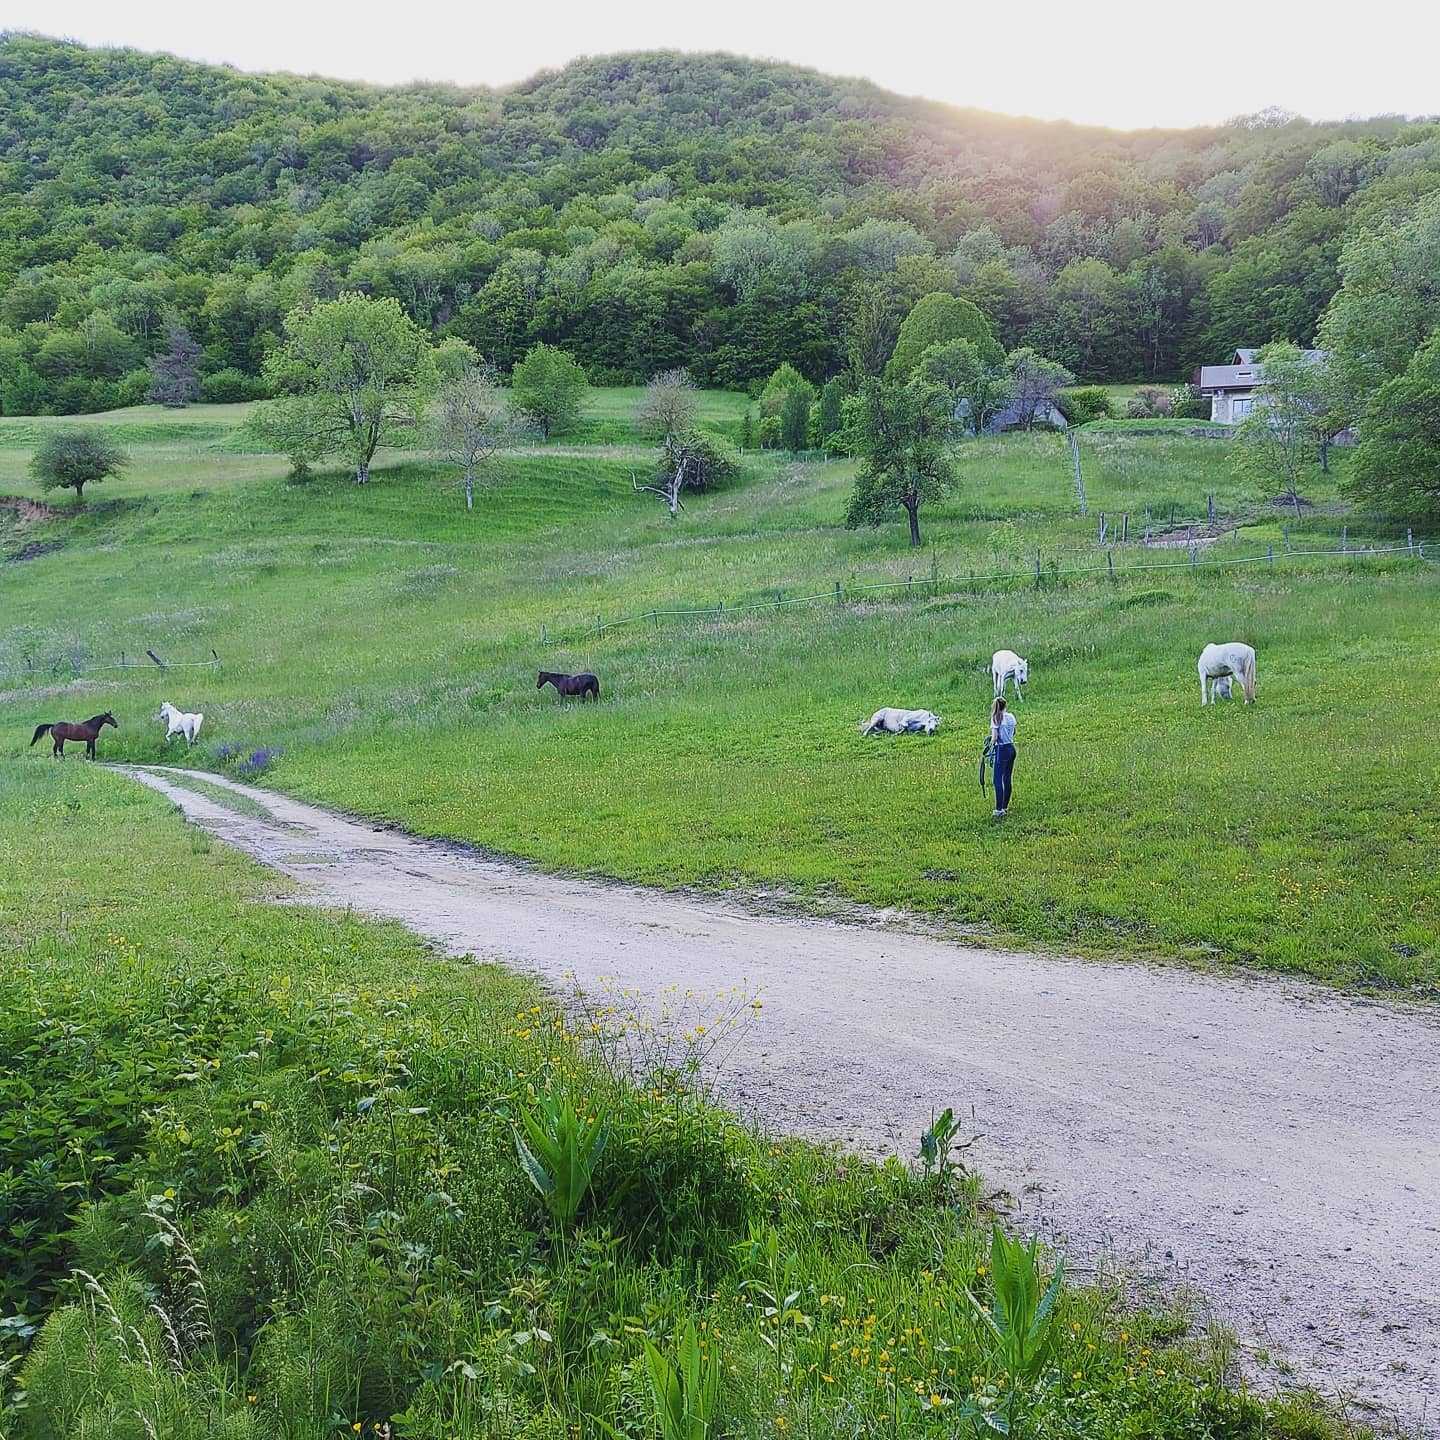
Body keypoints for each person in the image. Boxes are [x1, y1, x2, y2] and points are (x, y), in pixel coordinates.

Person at [989, 696, 1017, 818]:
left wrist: (990, 744)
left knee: (997, 780)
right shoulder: (1011, 717)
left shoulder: (996, 718)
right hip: (1011, 748)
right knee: (1007, 778)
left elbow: (994, 737)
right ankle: (1005, 806)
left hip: (1002, 749)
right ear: (1005, 705)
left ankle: (999, 809)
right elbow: (1014, 732)